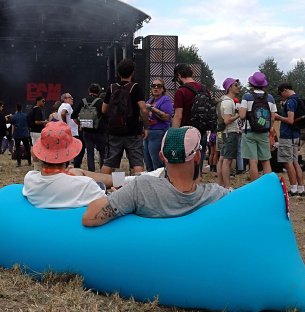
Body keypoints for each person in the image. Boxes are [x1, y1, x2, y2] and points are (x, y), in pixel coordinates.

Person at [82, 126, 229, 226]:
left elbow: (89, 218)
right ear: (198, 157)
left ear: (161, 156)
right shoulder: (216, 195)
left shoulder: (141, 189)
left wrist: (121, 196)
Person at [22, 122, 112, 208]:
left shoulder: (30, 179)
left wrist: (68, 174)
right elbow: (112, 204)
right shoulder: (85, 186)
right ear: (69, 155)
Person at [101, 58, 149, 175]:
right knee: (137, 162)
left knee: (108, 162)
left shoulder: (112, 88)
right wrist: (146, 127)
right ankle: (137, 187)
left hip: (113, 132)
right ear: (133, 73)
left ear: (118, 73)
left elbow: (103, 109)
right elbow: (143, 109)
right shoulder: (135, 88)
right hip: (133, 131)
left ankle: (101, 187)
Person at [238, 72, 277, 182]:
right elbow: (273, 117)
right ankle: (268, 185)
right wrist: (269, 128)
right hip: (264, 132)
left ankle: (255, 186)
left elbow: (242, 115)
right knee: (266, 160)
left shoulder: (247, 96)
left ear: (251, 84)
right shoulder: (270, 98)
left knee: (253, 161)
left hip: (249, 131)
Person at [274, 83, 305, 196]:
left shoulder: (290, 101)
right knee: (295, 161)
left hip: (287, 135)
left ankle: (293, 189)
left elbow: (290, 120)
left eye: (281, 93)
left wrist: (278, 116)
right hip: (295, 134)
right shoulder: (298, 99)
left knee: (288, 162)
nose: (282, 96)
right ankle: (301, 188)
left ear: (285, 90)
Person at [217, 78, 241, 190]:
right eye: (236, 85)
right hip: (230, 132)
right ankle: (227, 185)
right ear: (229, 87)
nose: (238, 87)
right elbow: (227, 120)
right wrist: (239, 115)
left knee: (222, 158)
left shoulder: (224, 100)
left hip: (225, 133)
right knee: (227, 160)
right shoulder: (228, 102)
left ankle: (221, 184)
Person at [143, 78, 173, 172]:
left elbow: (167, 117)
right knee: (148, 162)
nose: (156, 88)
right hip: (148, 134)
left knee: (157, 161)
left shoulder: (165, 100)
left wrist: (152, 108)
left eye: (159, 86)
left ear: (163, 89)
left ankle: (160, 182)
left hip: (158, 133)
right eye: (153, 86)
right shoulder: (150, 100)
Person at [78, 85, 107, 172]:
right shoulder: (101, 102)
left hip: (86, 131)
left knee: (90, 152)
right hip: (99, 131)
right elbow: (106, 115)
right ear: (98, 92)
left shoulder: (83, 101)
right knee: (103, 152)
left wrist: (80, 125)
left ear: (88, 90)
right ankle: (103, 171)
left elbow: (75, 115)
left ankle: (91, 171)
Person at [58, 92, 84, 168]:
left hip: (67, 132)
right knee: (79, 149)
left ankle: (66, 165)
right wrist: (66, 123)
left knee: (67, 150)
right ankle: (77, 166)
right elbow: (63, 113)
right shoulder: (67, 105)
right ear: (64, 99)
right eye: (70, 97)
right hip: (72, 132)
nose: (72, 98)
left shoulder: (61, 106)